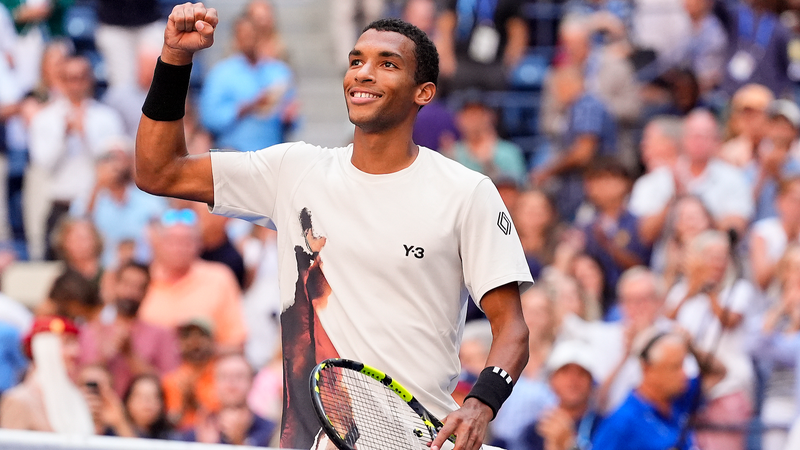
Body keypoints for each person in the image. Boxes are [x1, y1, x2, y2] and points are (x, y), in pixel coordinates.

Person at [134, 6, 532, 450]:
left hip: (421, 438)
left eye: (387, 64)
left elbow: (512, 328)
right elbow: (159, 171)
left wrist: (481, 403)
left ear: (424, 92)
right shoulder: (293, 169)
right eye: (356, 60)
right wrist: (174, 59)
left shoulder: (466, 191)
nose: (363, 73)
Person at [664, 230, 755, 450]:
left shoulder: (738, 290)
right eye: (711, 256)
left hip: (728, 387)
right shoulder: (681, 292)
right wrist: (693, 287)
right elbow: (665, 322)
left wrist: (710, 291)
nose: (717, 263)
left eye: (722, 257)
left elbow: (729, 320)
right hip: (688, 391)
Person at [28, 55, 125, 260]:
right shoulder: (44, 119)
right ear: (61, 81)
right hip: (61, 206)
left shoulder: (107, 117)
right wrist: (63, 136)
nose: (76, 84)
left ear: (90, 79)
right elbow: (43, 166)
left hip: (98, 206)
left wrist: (85, 135)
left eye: (81, 77)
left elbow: (116, 165)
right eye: (70, 78)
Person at [590, 330, 727, 450]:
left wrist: (691, 347)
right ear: (647, 368)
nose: (684, 374)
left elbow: (717, 373)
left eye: (683, 365)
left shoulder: (679, 398)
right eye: (675, 367)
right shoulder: (622, 423)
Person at [137, 208, 247, 352]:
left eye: (187, 241)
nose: (179, 248)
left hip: (207, 369)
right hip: (149, 369)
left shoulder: (219, 277)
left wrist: (199, 350)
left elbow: (237, 341)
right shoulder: (141, 278)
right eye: (172, 241)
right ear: (158, 243)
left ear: (199, 244)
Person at [79, 261, 180, 396]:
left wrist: (130, 354)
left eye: (139, 287)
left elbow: (170, 385)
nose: (131, 292)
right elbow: (79, 379)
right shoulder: (90, 331)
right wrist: (103, 356)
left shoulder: (161, 334)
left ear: (146, 292)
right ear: (115, 286)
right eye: (126, 284)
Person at [199, 14, 296, 152]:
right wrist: (247, 107)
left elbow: (294, 120)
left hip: (272, 154)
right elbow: (209, 119)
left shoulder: (279, 72)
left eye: (253, 34)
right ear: (235, 38)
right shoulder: (220, 74)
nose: (249, 40)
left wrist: (289, 116)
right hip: (232, 152)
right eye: (244, 35)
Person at [70, 142, 168, 268]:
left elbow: (165, 232)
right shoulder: (84, 200)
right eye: (108, 159)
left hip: (144, 269)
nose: (115, 165)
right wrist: (98, 185)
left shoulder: (151, 199)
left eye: (120, 159)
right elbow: (78, 231)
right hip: (101, 271)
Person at [0, 316, 94, 434]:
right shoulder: (19, 401)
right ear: (45, 348)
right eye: (66, 343)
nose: (75, 351)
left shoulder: (77, 398)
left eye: (75, 343)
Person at [581, 159, 650, 313]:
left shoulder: (639, 224)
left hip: (635, 301)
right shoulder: (586, 227)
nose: (602, 186)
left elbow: (642, 267)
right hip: (598, 301)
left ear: (626, 184)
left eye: (609, 179)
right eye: (596, 180)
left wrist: (610, 246)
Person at [515, 340, 599, 450]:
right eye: (565, 372)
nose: (573, 380)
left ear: (591, 382)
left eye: (581, 373)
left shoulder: (605, 426)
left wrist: (570, 445)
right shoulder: (533, 432)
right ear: (551, 379)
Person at [184, 353, 277, 446]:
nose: (231, 382)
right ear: (214, 383)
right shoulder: (198, 432)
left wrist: (239, 443)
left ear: (252, 382)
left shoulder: (270, 431)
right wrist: (205, 446)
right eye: (224, 376)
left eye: (239, 376)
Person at [451, 98, 527, 186]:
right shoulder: (451, 152)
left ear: (490, 117)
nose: (473, 120)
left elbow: (518, 185)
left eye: (478, 114)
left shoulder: (509, 151)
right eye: (468, 115)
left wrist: (488, 163)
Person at [162, 318, 220, 430]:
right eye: (187, 335)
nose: (194, 342)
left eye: (201, 335)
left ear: (213, 341)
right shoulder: (171, 381)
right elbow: (171, 423)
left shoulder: (223, 377)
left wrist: (194, 402)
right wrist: (185, 403)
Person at [123, 374, 177, 440]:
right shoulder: (113, 434)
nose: (147, 402)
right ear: (128, 401)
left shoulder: (170, 438)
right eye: (140, 396)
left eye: (154, 397)